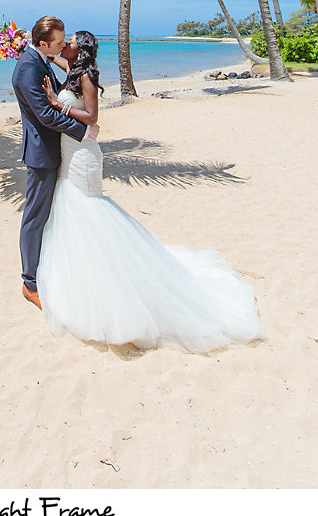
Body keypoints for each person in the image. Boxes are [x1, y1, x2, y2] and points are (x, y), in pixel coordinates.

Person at [36, 30, 266, 354]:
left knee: (88, 208)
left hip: (84, 156)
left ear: (81, 49)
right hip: (71, 152)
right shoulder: (73, 68)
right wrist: (22, 45)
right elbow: (51, 55)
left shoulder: (85, 77)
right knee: (73, 209)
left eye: (70, 41)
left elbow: (92, 117)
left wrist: (56, 104)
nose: (65, 44)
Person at [11, 16, 99, 311]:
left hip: (57, 150)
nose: (62, 46)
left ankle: (47, 270)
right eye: (59, 42)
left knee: (52, 214)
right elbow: (45, 115)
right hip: (41, 155)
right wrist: (84, 131)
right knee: (35, 217)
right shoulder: (29, 67)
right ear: (43, 43)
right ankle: (30, 283)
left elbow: (63, 95)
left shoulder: (43, 59)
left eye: (65, 41)